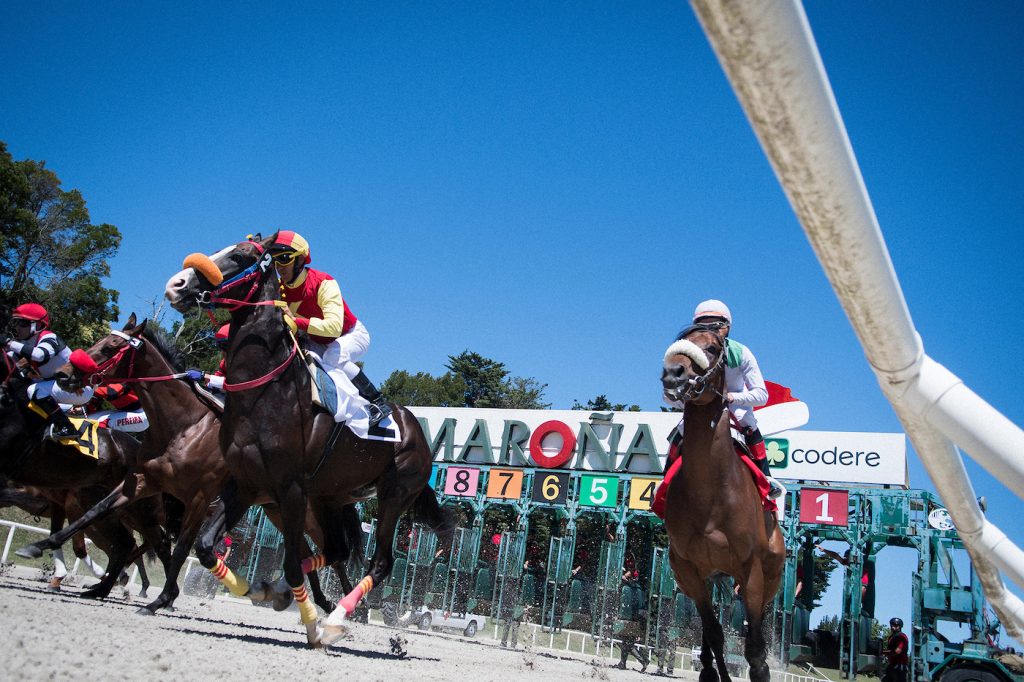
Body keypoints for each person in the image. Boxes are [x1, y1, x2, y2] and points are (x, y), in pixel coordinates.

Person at [268, 230, 391, 426]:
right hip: (315, 341)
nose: (279, 267)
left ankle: (376, 401)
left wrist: (298, 322)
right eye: (275, 260)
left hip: (350, 334)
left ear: (300, 260)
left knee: (334, 356)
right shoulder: (279, 289)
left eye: (283, 259)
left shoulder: (323, 282)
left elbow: (334, 328)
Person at [666, 299, 784, 499]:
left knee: (749, 424)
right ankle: (665, 482)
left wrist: (731, 397)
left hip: (735, 409)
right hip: (699, 407)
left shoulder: (741, 352)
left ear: (727, 328)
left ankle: (766, 477)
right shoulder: (685, 351)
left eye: (716, 325)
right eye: (702, 325)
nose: (709, 330)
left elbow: (762, 395)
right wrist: (675, 394)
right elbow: (670, 398)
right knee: (681, 430)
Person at [4, 303, 92, 438]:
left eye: (22, 323)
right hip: (59, 385)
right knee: (21, 384)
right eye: (16, 323)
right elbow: (8, 361)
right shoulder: (27, 343)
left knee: (34, 390)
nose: (17, 327)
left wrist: (8, 343)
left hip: (78, 388)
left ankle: (67, 427)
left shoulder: (49, 337)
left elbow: (39, 355)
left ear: (37, 325)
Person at [882, 617, 909, 682]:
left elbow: (897, 651)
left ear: (899, 627)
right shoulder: (891, 637)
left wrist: (882, 651)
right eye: (892, 625)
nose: (893, 627)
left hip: (900, 666)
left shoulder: (902, 637)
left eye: (895, 625)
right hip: (892, 665)